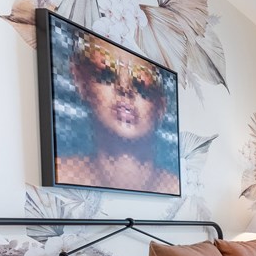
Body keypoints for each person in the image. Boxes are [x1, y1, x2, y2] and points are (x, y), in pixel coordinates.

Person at [55, 34, 180, 195]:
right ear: (81, 82)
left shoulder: (174, 186)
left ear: (161, 106)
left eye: (142, 84)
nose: (124, 89)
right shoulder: (62, 171)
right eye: (106, 74)